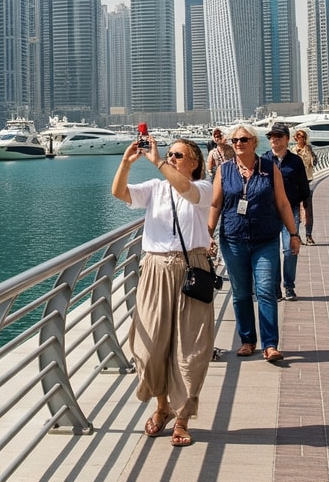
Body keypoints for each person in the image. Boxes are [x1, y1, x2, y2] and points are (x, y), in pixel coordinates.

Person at [113, 135, 214, 447]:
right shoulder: (156, 189)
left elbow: (184, 189)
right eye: (169, 154)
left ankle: (182, 418)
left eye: (178, 155)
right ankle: (162, 406)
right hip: (155, 269)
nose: (171, 158)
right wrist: (126, 163)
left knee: (190, 349)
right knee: (149, 346)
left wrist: (157, 162)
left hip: (191, 270)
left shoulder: (203, 188)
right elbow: (119, 192)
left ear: (195, 163)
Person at [209, 124, 299, 363]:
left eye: (244, 139)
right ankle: (248, 341)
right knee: (240, 293)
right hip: (233, 239)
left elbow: (282, 203)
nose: (238, 143)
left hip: (265, 240)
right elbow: (215, 205)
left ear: (254, 142)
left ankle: (270, 345)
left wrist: (293, 233)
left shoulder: (269, 168)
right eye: (235, 140)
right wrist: (207, 234)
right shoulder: (224, 169)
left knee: (266, 290)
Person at [263, 122, 311, 301]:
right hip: (268, 212)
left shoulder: (295, 161)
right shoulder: (264, 160)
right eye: (271, 136)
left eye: (278, 136)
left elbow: (304, 188)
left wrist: (300, 205)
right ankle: (275, 289)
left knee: (290, 249)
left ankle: (289, 286)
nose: (274, 139)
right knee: (271, 250)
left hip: (290, 210)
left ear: (287, 139)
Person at [291, 128, 318, 243]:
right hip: (295, 183)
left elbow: (315, 163)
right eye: (297, 136)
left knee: (308, 210)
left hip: (307, 181)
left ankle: (308, 235)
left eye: (301, 136)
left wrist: (311, 154)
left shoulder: (309, 149)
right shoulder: (292, 150)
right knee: (296, 210)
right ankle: (297, 235)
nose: (299, 138)